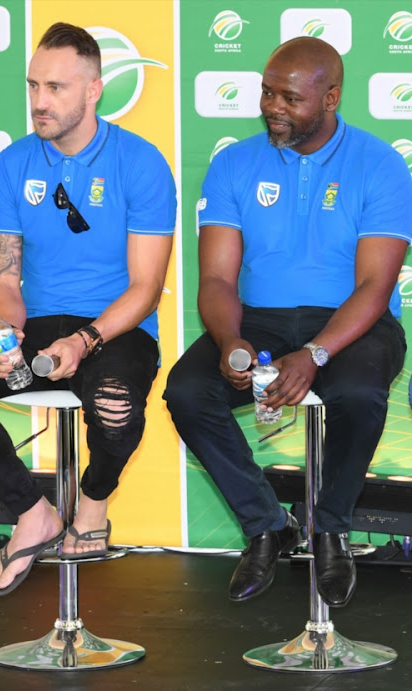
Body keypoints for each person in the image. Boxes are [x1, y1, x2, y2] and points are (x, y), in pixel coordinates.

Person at [0, 22, 176, 597]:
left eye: (56, 87)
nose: (39, 101)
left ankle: (91, 504)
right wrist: (3, 331)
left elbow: (145, 287)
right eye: (33, 85)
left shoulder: (141, 162)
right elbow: (5, 277)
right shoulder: (10, 165)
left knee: (112, 405)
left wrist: (84, 341)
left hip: (116, 326)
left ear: (94, 90)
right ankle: (33, 513)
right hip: (37, 324)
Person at [164, 37, 411, 608]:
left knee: (358, 391)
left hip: (353, 321)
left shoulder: (380, 164)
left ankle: (331, 529)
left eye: (290, 98)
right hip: (260, 319)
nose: (273, 106)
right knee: (187, 390)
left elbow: (375, 286)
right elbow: (219, 281)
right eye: (267, 92)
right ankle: (266, 526)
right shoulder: (233, 163)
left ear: (331, 97)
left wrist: (317, 354)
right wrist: (230, 341)